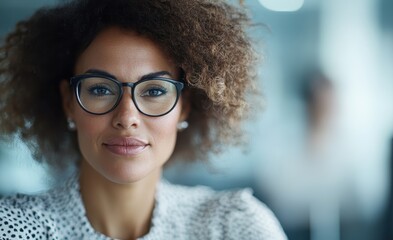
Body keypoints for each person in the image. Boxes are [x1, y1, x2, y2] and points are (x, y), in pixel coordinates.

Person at [0, 0, 287, 239]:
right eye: (100, 89)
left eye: (154, 91)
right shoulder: (13, 230)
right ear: (69, 103)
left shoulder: (234, 227)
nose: (127, 117)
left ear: (184, 107)